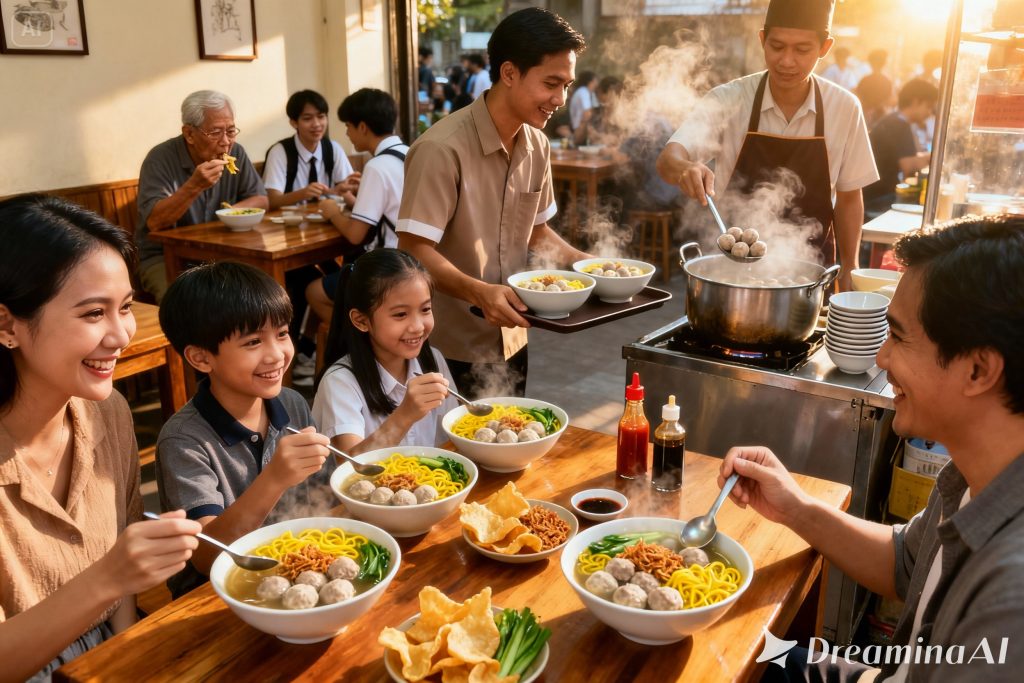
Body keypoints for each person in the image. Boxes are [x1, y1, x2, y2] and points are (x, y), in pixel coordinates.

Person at [723, 214, 1024, 682]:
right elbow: (905, 563)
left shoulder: (1012, 600)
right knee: (745, 657)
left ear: (979, 370)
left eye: (899, 336)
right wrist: (794, 507)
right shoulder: (974, 476)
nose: (882, 357)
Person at [0, 195, 200, 681]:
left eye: (126, 307)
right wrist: (111, 574)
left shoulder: (107, 413)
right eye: (93, 314)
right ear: (8, 325)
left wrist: (131, 659)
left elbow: (122, 599)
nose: (121, 335)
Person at [396, 7, 590, 398]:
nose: (560, 99)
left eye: (567, 85)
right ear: (509, 73)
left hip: (515, 333)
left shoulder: (537, 144)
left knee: (512, 441)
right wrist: (480, 292)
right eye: (551, 83)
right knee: (457, 454)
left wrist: (593, 267)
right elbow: (414, 251)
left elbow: (537, 231)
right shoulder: (441, 148)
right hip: (448, 344)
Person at [656, 0, 878, 292]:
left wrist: (850, 267)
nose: (787, 60)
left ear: (824, 48)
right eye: (777, 46)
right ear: (762, 39)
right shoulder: (729, 99)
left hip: (812, 276)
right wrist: (686, 167)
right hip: (730, 271)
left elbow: (849, 198)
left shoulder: (844, 107)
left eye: (802, 50)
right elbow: (669, 159)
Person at [155, 262, 332, 599]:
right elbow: (206, 558)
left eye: (281, 334)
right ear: (201, 358)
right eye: (253, 342)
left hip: (298, 573)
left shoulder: (291, 403)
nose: (277, 354)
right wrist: (275, 478)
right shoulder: (184, 440)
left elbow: (323, 498)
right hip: (214, 596)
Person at [312, 249, 459, 455]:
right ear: (361, 321)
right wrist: (405, 415)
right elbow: (349, 465)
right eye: (400, 314)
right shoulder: (340, 382)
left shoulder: (433, 359)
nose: (417, 326)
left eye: (425, 309)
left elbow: (454, 435)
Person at [135, 90, 268, 302]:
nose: (226, 142)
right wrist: (194, 186)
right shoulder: (159, 159)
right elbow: (155, 221)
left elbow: (260, 198)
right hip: (165, 257)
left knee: (261, 292)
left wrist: (229, 213)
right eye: (215, 132)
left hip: (222, 253)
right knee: (184, 305)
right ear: (189, 134)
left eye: (231, 131)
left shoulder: (236, 153)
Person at [306, 88, 409, 323]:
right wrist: (353, 199)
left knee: (313, 291)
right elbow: (390, 209)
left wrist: (332, 211)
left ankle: (358, 344)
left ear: (362, 127)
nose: (347, 133)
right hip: (413, 261)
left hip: (388, 269)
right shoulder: (408, 153)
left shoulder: (377, 166)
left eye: (348, 126)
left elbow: (355, 235)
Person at [262, 89, 359, 210]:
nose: (317, 124)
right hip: (290, 223)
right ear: (294, 123)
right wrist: (302, 194)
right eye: (307, 119)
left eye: (321, 117)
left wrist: (338, 192)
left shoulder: (333, 148)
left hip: (328, 218)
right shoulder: (280, 152)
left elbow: (345, 191)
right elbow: (271, 200)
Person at [863, 79, 938, 217]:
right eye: (928, 106)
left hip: (873, 195)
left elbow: (910, 157)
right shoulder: (899, 125)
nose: (929, 113)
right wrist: (937, 156)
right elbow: (908, 165)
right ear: (916, 101)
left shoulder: (894, 120)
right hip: (878, 199)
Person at [856, 49, 894, 128]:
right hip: (882, 118)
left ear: (871, 64)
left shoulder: (865, 80)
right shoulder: (887, 81)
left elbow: (858, 98)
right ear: (884, 64)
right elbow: (890, 100)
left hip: (865, 117)